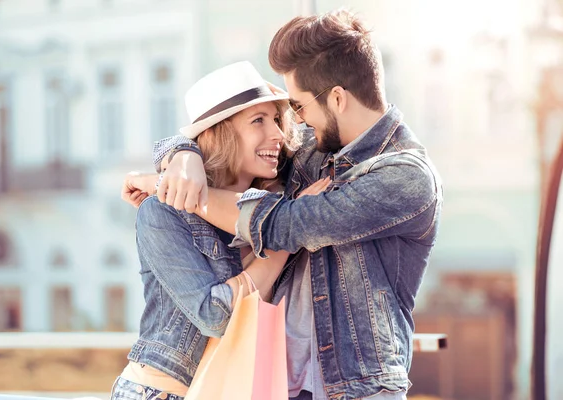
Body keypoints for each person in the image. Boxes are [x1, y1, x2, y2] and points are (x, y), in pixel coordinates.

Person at [124, 9, 443, 400]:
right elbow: (225, 141)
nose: (296, 122)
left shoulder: (404, 177)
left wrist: (169, 186)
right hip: (277, 382)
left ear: (338, 99)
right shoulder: (314, 153)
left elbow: (285, 225)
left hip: (357, 390)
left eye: (298, 107)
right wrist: (180, 156)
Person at [113, 61, 327, 400]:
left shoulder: (275, 200)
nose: (277, 134)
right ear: (220, 133)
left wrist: (178, 153)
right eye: (258, 121)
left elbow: (321, 133)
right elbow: (214, 315)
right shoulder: (162, 213)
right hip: (162, 393)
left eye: (275, 119)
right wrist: (287, 234)